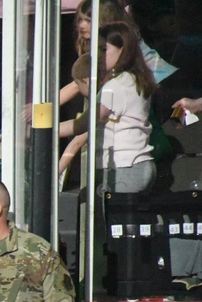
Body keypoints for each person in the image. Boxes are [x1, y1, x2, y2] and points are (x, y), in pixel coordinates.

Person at [59, 22, 157, 193]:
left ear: (123, 50)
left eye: (104, 50)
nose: (98, 56)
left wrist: (45, 128)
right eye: (97, 50)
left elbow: (83, 124)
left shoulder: (116, 86)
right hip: (138, 165)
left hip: (124, 168)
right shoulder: (134, 79)